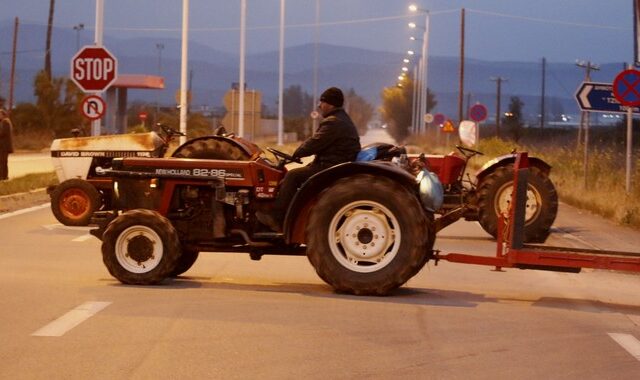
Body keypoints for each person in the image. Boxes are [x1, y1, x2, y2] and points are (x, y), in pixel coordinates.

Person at [256, 87, 361, 232]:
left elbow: (313, 144)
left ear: (331, 104)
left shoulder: (333, 122)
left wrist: (296, 153)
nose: (319, 105)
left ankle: (276, 218)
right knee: (292, 176)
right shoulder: (342, 120)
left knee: (293, 176)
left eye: (322, 102)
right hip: (334, 164)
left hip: (332, 167)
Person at [0, 108, 14, 180]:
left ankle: (3, 176)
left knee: (2, 162)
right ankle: (4, 176)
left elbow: (2, 133)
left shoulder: (5, 122)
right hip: (4, 146)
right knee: (3, 162)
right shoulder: (6, 121)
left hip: (4, 146)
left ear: (2, 114)